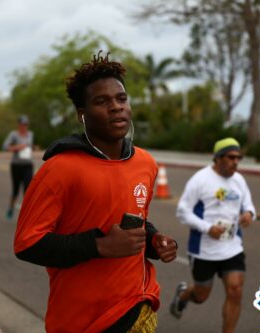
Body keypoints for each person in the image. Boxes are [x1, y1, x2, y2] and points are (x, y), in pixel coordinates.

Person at [14, 52, 178, 333]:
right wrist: (100, 246)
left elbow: (135, 220)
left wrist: (154, 241)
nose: (116, 107)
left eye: (121, 99)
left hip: (139, 305)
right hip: (84, 321)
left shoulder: (145, 163)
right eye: (102, 102)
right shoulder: (60, 168)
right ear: (82, 114)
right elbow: (28, 244)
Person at [170, 137, 255, 333]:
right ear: (218, 158)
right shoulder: (200, 180)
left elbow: (248, 205)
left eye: (238, 158)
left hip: (232, 246)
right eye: (231, 157)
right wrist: (207, 228)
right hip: (204, 250)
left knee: (235, 290)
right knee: (201, 296)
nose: (235, 162)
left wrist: (249, 214)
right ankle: (183, 295)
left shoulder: (239, 180)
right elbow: (182, 211)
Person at [2, 115, 34, 219]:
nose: (24, 126)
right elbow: (5, 146)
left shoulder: (30, 134)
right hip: (16, 165)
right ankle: (11, 208)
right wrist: (17, 147)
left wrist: (30, 150)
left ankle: (27, 214)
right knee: (15, 190)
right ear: (19, 124)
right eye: (23, 124)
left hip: (28, 165)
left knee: (28, 189)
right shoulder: (14, 135)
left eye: (26, 124)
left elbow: (29, 146)